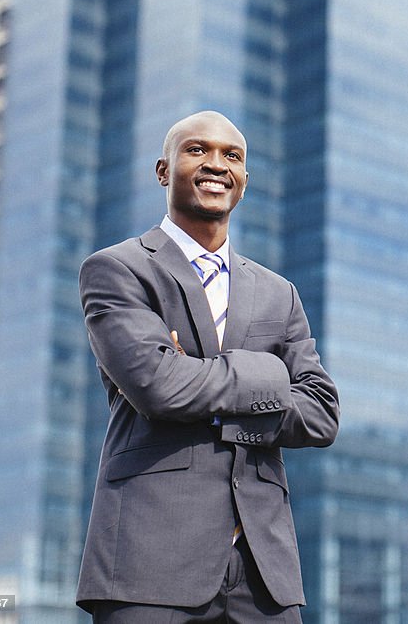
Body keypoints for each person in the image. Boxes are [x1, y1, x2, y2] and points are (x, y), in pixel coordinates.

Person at [76, 111, 339, 623]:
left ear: (244, 180)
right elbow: (158, 388)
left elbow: (322, 414)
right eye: (197, 150)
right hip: (150, 559)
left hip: (265, 573)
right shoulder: (118, 269)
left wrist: (195, 372)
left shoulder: (278, 293)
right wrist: (269, 376)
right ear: (163, 170)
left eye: (231, 156)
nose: (216, 164)